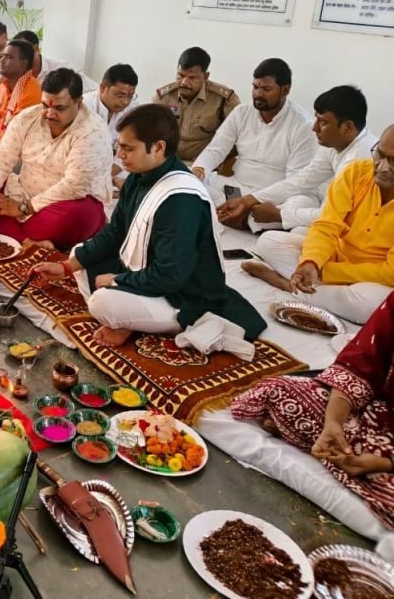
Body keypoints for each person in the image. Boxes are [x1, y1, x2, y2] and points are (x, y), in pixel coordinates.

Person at [32, 104, 266, 347]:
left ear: (158, 148)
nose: (120, 156)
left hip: (183, 295)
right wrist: (65, 267)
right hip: (147, 273)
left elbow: (171, 274)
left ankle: (131, 322)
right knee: (79, 255)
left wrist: (118, 281)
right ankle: (133, 318)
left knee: (102, 303)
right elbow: (114, 232)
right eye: (118, 147)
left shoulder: (180, 199)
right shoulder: (137, 178)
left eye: (128, 148)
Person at [231, 294, 394, 529]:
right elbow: (361, 364)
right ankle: (332, 442)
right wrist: (333, 421)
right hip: (378, 412)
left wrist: (384, 463)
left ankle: (352, 459)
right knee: (280, 391)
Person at [242, 126, 394, 325]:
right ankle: (314, 289)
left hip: (372, 280)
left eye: (393, 161)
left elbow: (389, 273)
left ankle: (288, 285)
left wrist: (326, 271)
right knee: (268, 241)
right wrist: (311, 263)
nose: (382, 167)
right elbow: (327, 225)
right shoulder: (356, 172)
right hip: (334, 256)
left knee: (372, 305)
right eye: (380, 155)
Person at [0, 68, 112, 248]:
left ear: (78, 102)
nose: (49, 114)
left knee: (76, 216)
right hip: (23, 193)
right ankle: (29, 241)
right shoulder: (27, 118)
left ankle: (14, 231)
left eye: (59, 108)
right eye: (45, 106)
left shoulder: (92, 132)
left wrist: (23, 208)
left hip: (67, 203)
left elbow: (74, 186)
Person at [217, 85, 377, 232]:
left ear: (348, 127)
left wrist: (279, 215)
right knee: (297, 202)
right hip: (322, 208)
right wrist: (248, 201)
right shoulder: (335, 144)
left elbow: (333, 216)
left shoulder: (359, 162)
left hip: (353, 232)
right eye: (316, 119)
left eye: (322, 122)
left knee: (273, 241)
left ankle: (246, 221)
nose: (314, 128)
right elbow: (302, 180)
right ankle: (247, 220)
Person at [192, 58, 316, 208]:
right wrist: (199, 169)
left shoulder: (302, 125)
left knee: (301, 203)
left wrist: (252, 200)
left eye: (266, 89)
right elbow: (216, 149)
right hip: (235, 187)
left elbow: (294, 182)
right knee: (189, 180)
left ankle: (229, 210)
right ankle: (234, 211)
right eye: (255, 87)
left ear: (285, 90)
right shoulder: (242, 112)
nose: (258, 94)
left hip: (273, 198)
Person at [151, 46, 240, 163]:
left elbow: (238, 138)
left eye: (192, 78)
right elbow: (151, 134)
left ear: (205, 77)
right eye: (181, 75)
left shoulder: (224, 100)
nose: (184, 82)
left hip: (205, 165)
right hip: (167, 162)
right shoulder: (163, 97)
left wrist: (214, 163)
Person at [0, 39, 42, 151]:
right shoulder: (2, 87)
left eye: (9, 57)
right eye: (3, 56)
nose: (2, 61)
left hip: (13, 152)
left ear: (23, 64)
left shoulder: (31, 91)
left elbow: (12, 136)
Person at [83, 63, 139, 188]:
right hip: (87, 165)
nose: (125, 101)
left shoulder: (133, 109)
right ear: (103, 88)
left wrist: (109, 174)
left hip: (115, 167)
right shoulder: (84, 106)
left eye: (130, 96)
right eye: (120, 95)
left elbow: (130, 147)